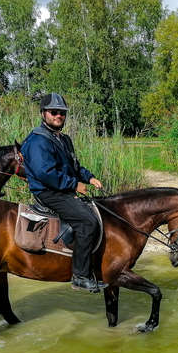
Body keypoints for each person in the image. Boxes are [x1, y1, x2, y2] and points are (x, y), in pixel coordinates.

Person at [21, 93, 108, 293]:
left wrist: (89, 177)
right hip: (48, 192)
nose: (58, 116)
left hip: (61, 188)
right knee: (88, 221)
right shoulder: (37, 140)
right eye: (54, 112)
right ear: (43, 113)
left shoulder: (64, 139)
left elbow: (74, 166)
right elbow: (45, 173)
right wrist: (73, 185)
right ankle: (80, 276)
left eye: (62, 113)